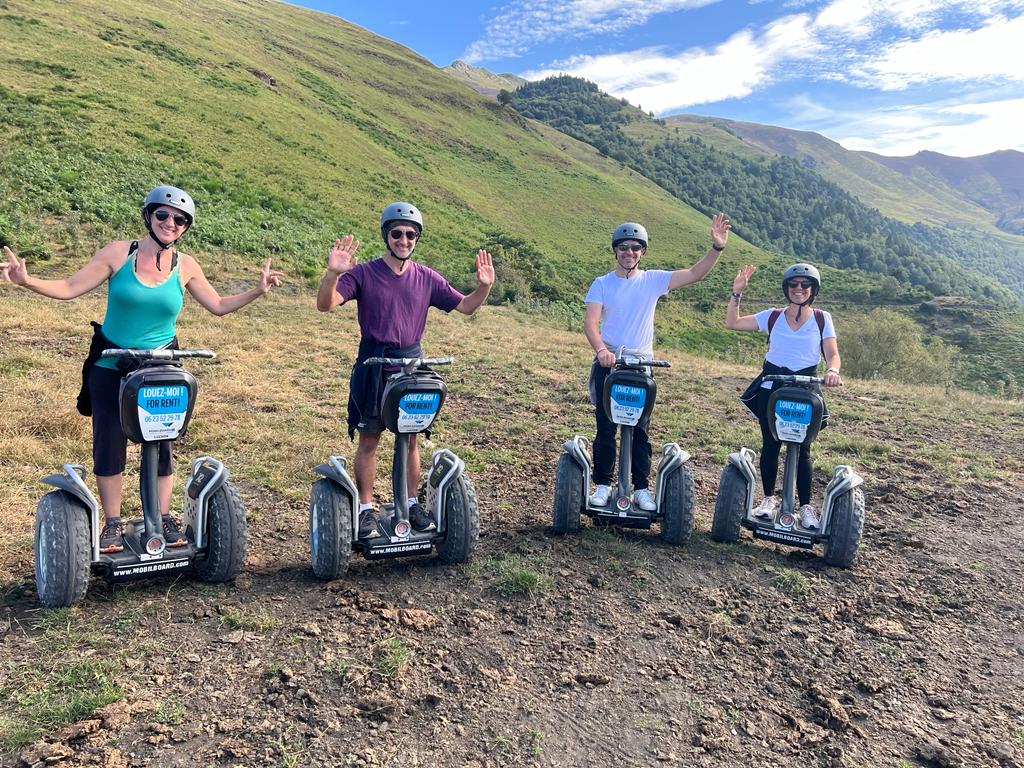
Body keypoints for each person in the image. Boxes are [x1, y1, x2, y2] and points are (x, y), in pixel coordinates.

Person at [2, 185, 283, 553]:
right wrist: (27, 281)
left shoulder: (186, 265)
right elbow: (70, 287)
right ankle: (113, 524)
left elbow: (217, 304)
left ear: (185, 227)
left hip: (161, 366)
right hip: (112, 363)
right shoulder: (118, 253)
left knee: (163, 441)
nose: (171, 223)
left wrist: (257, 291)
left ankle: (163, 518)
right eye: (163, 214)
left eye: (180, 219)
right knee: (109, 441)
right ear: (149, 216)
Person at [316, 201, 494, 538]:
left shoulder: (426, 277)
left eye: (411, 235)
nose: (404, 240)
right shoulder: (364, 273)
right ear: (386, 235)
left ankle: (411, 504)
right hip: (374, 364)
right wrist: (333, 273)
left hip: (412, 366)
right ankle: (365, 510)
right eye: (397, 233)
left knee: (411, 439)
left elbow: (466, 307)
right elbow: (325, 304)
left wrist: (484, 286)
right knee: (369, 438)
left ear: (416, 239)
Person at [584, 214, 730, 510]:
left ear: (643, 252)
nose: (629, 252)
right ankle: (603, 485)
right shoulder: (602, 284)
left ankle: (640, 488)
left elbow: (695, 274)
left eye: (635, 248)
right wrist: (601, 351)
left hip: (641, 366)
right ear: (615, 250)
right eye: (623, 247)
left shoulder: (652, 280)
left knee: (640, 429)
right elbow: (590, 323)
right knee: (605, 427)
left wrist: (716, 248)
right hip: (610, 363)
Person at [725, 262, 843, 529]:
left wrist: (833, 370)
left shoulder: (822, 318)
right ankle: (768, 499)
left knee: (803, 448)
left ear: (813, 289)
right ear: (786, 288)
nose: (799, 289)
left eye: (805, 285)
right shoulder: (773, 316)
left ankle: (806, 507)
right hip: (773, 384)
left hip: (806, 386)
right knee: (770, 443)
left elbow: (832, 353)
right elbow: (732, 323)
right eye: (793, 284)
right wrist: (737, 293)